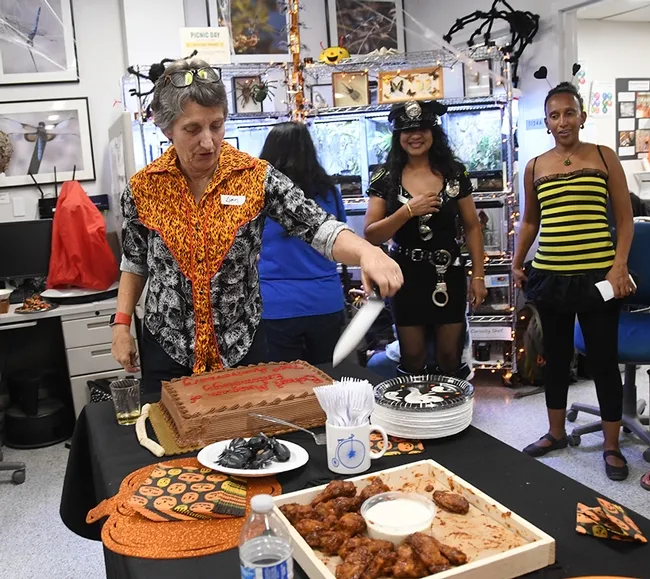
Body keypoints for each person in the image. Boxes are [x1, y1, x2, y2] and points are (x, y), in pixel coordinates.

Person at [110, 58, 403, 393]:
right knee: (174, 439)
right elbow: (134, 262)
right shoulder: (143, 188)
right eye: (192, 129)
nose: (208, 142)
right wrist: (121, 325)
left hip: (241, 345)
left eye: (216, 126)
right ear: (166, 130)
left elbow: (318, 227)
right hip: (168, 348)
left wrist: (366, 251)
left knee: (249, 441)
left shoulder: (255, 177)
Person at [513, 81, 635, 481]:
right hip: (551, 276)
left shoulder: (604, 157)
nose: (562, 121)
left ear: (582, 116)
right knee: (557, 358)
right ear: (546, 122)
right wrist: (517, 260)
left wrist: (619, 266)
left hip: (599, 276)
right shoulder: (535, 166)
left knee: (601, 360)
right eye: (554, 115)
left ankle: (612, 446)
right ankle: (555, 433)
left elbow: (624, 218)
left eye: (569, 113)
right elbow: (531, 220)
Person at [363, 100, 487, 378]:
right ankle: (414, 419)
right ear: (398, 136)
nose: (415, 135)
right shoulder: (385, 177)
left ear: (434, 131)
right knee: (414, 357)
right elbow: (372, 234)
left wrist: (478, 276)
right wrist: (407, 211)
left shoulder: (455, 172)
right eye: (407, 130)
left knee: (449, 357)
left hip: (449, 271)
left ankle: (452, 420)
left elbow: (472, 226)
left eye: (422, 128)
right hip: (405, 275)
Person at [258, 122, 347, 364]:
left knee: (283, 388)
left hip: (275, 304)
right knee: (328, 381)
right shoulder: (329, 193)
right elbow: (340, 242)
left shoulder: (258, 196)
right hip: (325, 300)